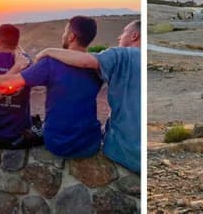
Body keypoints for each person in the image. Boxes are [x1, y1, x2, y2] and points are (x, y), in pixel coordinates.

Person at [0, 16, 103, 158]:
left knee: (35, 123)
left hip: (52, 143)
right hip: (91, 144)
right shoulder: (101, 66)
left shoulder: (48, 64)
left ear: (71, 37)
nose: (63, 35)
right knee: (36, 122)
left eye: (65, 31)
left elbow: (7, 85)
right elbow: (25, 61)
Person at [35, 20, 141, 172]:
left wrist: (47, 52)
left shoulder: (123, 55)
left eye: (124, 32)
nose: (119, 36)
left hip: (125, 152)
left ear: (134, 36)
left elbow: (86, 61)